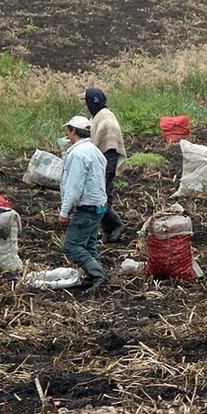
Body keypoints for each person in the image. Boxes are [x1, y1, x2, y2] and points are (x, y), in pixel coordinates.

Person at [59, 116, 108, 292]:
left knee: (71, 246)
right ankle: (95, 276)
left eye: (68, 130)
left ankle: (98, 275)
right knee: (88, 245)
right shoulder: (94, 150)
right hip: (99, 205)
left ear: (73, 131)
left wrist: (64, 212)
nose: (66, 134)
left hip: (87, 207)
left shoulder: (78, 154)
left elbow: (74, 186)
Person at [83, 88, 127, 242]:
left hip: (107, 162)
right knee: (103, 196)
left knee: (100, 197)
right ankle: (108, 231)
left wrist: (106, 169)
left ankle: (117, 225)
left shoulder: (106, 119)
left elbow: (110, 144)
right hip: (104, 161)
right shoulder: (99, 116)